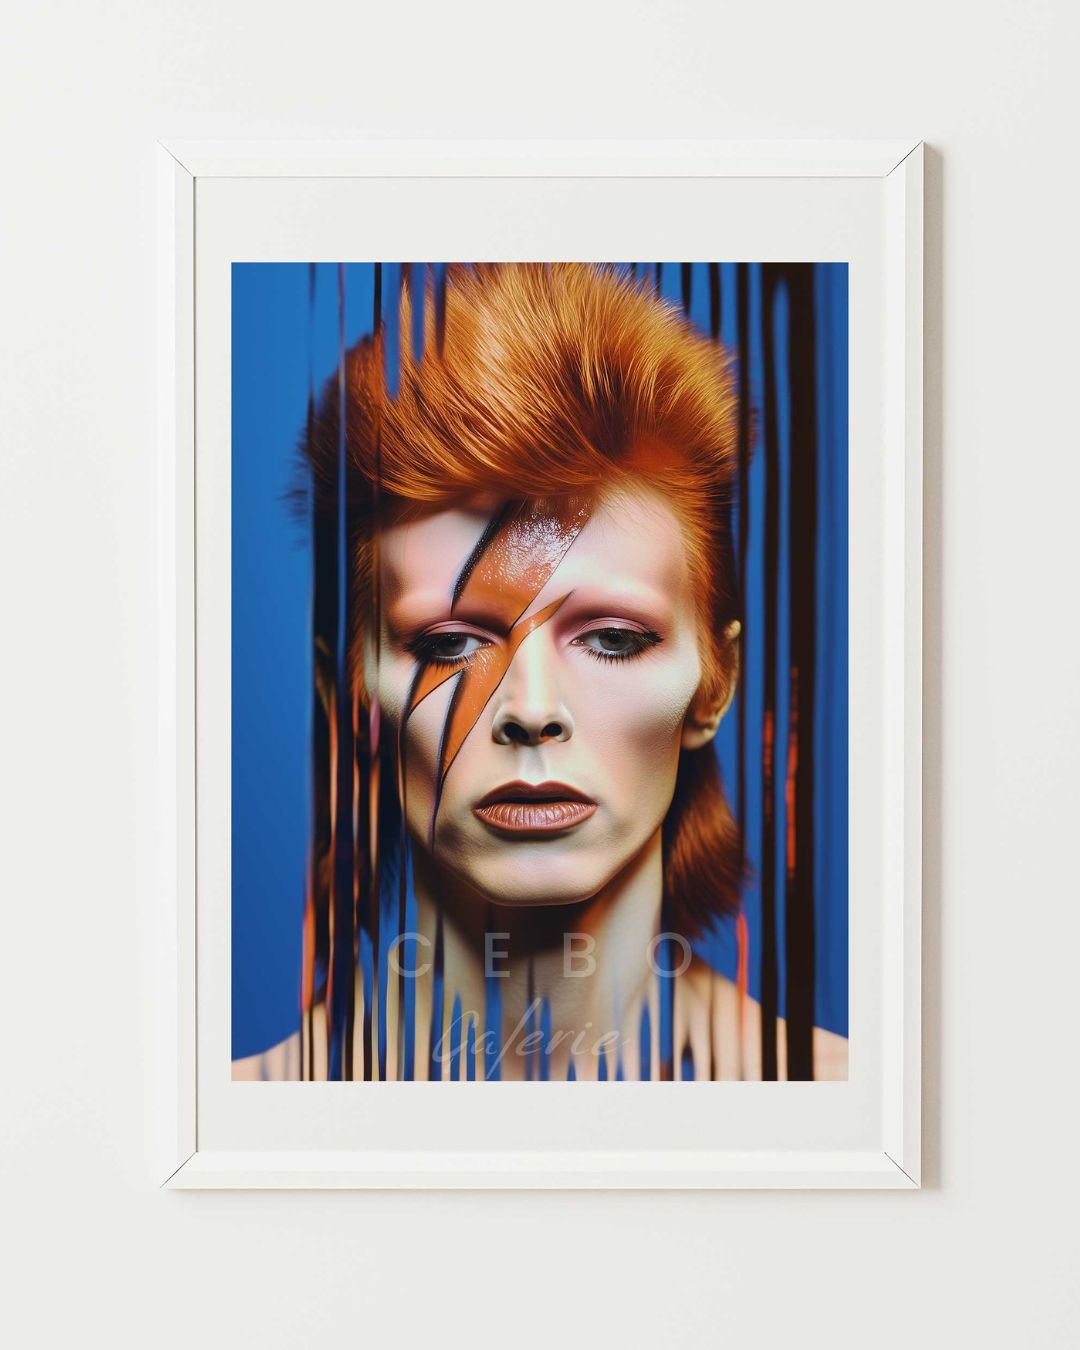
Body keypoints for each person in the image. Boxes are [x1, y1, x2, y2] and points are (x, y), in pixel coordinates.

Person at [233, 262, 847, 1083]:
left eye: (614, 639)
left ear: (716, 679)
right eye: (449, 644)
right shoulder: (235, 1129)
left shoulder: (842, 1115)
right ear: (344, 692)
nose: (530, 708)